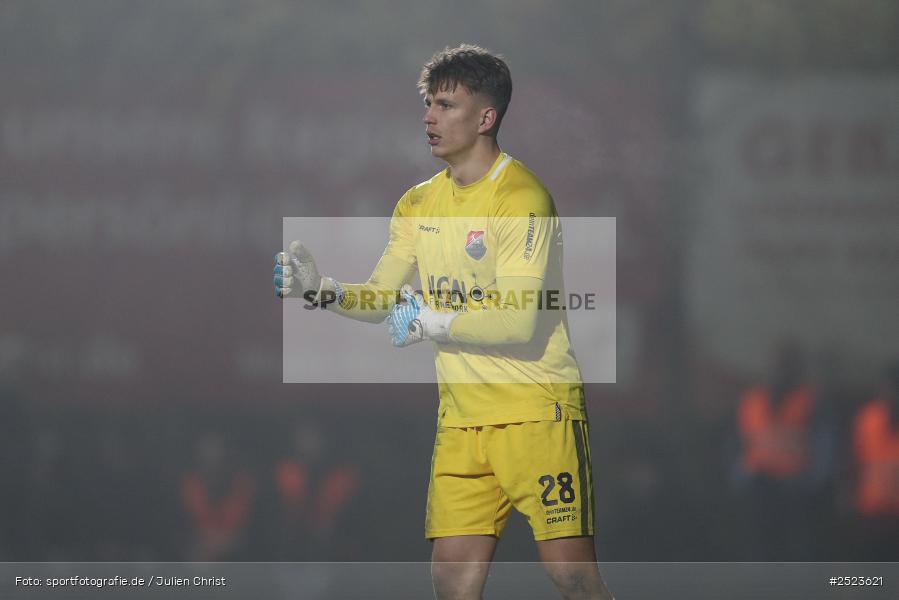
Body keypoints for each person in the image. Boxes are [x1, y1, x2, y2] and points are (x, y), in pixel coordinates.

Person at [275, 44, 614, 599]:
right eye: (429, 104)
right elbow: (384, 297)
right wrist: (320, 291)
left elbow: (517, 324)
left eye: (447, 105)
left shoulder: (522, 198)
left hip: (536, 417)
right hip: (460, 423)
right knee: (452, 583)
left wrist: (430, 321)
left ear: (486, 117)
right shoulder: (417, 203)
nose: (429, 118)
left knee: (572, 577)